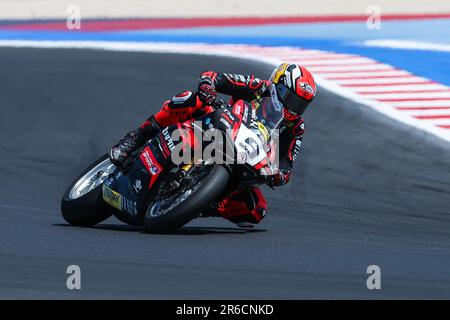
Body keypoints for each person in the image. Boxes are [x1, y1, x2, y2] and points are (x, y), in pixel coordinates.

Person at [109, 63, 316, 227]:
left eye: (301, 105)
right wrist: (208, 87)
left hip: (246, 158)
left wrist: (280, 175)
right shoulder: (258, 87)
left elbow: (287, 161)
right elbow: (216, 77)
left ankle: (196, 202)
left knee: (256, 209)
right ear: (278, 86)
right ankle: (135, 138)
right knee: (190, 99)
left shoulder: (295, 127)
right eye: (292, 99)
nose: (294, 108)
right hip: (217, 126)